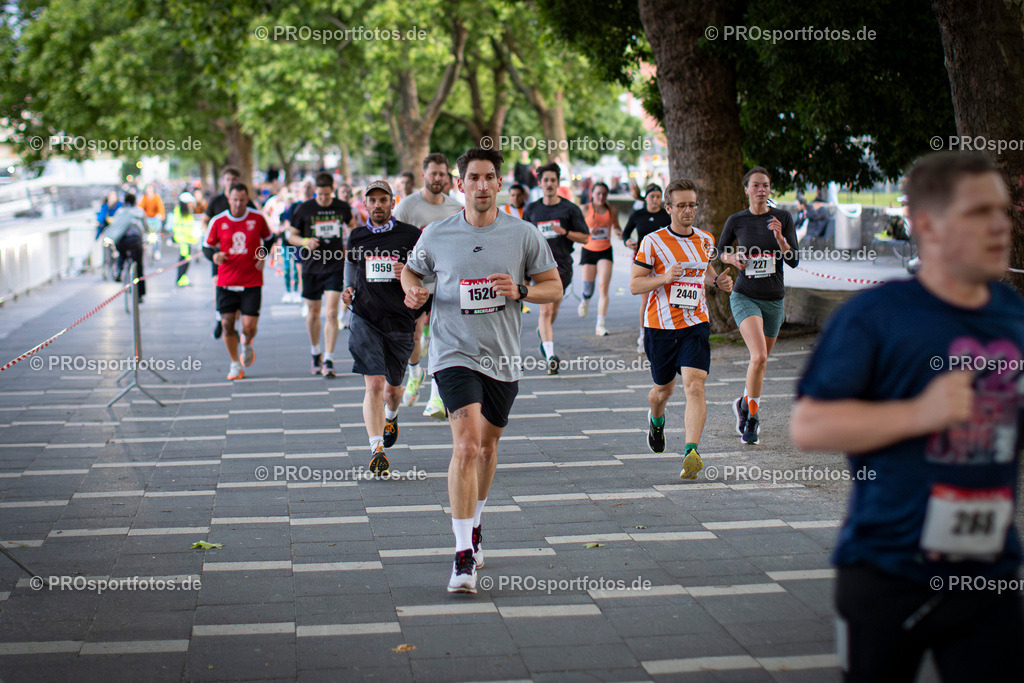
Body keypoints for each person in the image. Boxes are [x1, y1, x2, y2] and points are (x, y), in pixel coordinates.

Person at [791, 152, 1024, 683]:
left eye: (1004, 212)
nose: (999, 226)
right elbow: (809, 427)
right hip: (886, 571)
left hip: (990, 574)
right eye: (978, 212)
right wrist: (921, 413)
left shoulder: (1013, 316)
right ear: (925, 225)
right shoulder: (876, 317)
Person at [402, 147, 561, 594]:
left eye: (490, 177)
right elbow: (410, 275)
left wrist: (522, 289)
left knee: (487, 450)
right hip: (453, 353)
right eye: (474, 177)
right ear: (460, 185)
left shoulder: (523, 234)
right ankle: (461, 555)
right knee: (467, 448)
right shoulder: (436, 234)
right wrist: (414, 294)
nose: (483, 185)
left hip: (503, 357)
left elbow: (554, 287)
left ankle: (475, 523)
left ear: (499, 184)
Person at [630, 179, 733, 480]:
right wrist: (663, 278)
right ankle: (656, 419)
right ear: (669, 208)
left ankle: (691, 451)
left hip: (695, 323)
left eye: (693, 205)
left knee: (695, 385)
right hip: (660, 327)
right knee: (663, 390)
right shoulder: (652, 242)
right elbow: (635, 285)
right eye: (682, 206)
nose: (689, 211)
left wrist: (719, 282)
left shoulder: (704, 240)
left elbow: (708, 275)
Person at [343, 180, 421, 476]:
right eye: (372, 200)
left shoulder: (410, 235)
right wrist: (348, 288)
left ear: (392, 203)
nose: (377, 205)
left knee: (392, 390)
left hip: (400, 319)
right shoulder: (357, 236)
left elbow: (427, 270)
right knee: (373, 384)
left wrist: (409, 271)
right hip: (365, 316)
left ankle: (391, 416)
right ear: (365, 204)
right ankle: (376, 448)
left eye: (383, 200)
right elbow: (351, 265)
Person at [717, 166, 799, 445]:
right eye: (756, 185)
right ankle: (752, 417)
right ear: (747, 190)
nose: (761, 190)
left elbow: (794, 259)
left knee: (761, 363)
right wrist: (731, 260)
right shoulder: (737, 220)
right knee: (759, 357)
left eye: (765, 185)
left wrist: (780, 240)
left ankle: (743, 402)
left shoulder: (782, 218)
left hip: (774, 299)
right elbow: (720, 250)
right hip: (745, 295)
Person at [393, 153, 464, 418]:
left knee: (439, 337)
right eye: (433, 173)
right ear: (424, 174)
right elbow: (395, 240)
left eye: (442, 174)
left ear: (448, 177)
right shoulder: (408, 207)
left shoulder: (455, 208)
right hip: (415, 280)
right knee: (414, 335)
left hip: (444, 283)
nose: (438, 178)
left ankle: (436, 397)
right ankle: (414, 373)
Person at [523, 162, 590, 374]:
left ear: (558, 182)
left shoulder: (569, 209)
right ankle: (551, 355)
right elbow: (524, 241)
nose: (549, 184)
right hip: (539, 267)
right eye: (546, 180)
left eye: (553, 180)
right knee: (546, 308)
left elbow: (586, 238)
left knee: (553, 309)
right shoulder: (532, 210)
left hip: (562, 266)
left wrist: (564, 232)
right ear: (540, 183)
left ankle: (543, 334)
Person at [287, 172, 355, 377]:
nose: (324, 199)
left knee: (332, 313)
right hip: (311, 267)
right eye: (320, 195)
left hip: (334, 265)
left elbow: (352, 226)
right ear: (315, 191)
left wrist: (349, 240)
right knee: (313, 313)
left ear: (332, 191)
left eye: (327, 195)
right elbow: (290, 235)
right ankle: (315, 351)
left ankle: (328, 358)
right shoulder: (305, 208)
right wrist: (305, 241)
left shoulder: (342, 207)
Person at [203, 183, 272, 381]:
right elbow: (207, 246)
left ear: (246, 198)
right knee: (226, 325)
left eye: (242, 200)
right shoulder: (218, 221)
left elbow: (269, 239)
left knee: (249, 327)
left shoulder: (257, 218)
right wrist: (215, 256)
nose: (238, 204)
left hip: (251, 280)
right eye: (234, 200)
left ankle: (247, 343)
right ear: (229, 198)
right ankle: (234, 364)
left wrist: (262, 254)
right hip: (226, 281)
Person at [201, 167, 258, 339]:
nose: (231, 182)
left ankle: (237, 319)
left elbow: (258, 223)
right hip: (221, 253)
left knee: (240, 292)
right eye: (228, 179)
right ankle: (221, 317)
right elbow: (204, 222)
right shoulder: (216, 201)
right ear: (223, 181)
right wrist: (211, 237)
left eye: (234, 179)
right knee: (217, 284)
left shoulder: (246, 202)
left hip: (242, 256)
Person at [623, 184, 672, 353]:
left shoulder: (667, 215)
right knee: (645, 300)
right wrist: (628, 242)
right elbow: (625, 234)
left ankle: (665, 333)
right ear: (646, 198)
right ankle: (643, 335)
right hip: (642, 262)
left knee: (664, 297)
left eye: (659, 196)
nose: (656, 200)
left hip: (663, 262)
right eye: (653, 196)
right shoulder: (638, 215)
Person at [577, 181, 622, 336]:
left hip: (605, 250)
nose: (601, 196)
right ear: (592, 194)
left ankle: (600, 325)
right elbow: (576, 230)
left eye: (604, 193)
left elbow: (616, 225)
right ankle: (585, 300)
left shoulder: (611, 209)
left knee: (603, 287)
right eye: (598, 193)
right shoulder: (584, 209)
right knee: (588, 289)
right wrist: (588, 230)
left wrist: (619, 232)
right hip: (588, 250)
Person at [102, 192, 147, 300]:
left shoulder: (120, 211)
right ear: (135, 201)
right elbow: (145, 226)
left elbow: (114, 225)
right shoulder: (139, 211)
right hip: (135, 241)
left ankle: (118, 269)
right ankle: (140, 294)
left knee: (122, 253)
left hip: (121, 241)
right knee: (138, 266)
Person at [280, 181, 313, 304]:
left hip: (315, 244)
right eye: (304, 186)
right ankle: (304, 299)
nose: (306, 188)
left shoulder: (315, 204)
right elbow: (288, 223)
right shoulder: (295, 206)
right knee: (299, 270)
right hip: (299, 243)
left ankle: (310, 297)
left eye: (309, 186)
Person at [172, 190, 198, 286]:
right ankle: (181, 279)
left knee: (185, 259)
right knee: (184, 259)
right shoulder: (181, 212)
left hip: (186, 240)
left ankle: (182, 278)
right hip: (184, 240)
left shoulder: (183, 211)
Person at [138, 185, 166, 260]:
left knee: (158, 234)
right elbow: (140, 207)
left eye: (150, 191)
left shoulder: (157, 198)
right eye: (148, 191)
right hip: (147, 219)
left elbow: (161, 207)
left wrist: (161, 215)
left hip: (155, 219)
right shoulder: (144, 198)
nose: (149, 193)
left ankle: (157, 251)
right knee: (144, 234)